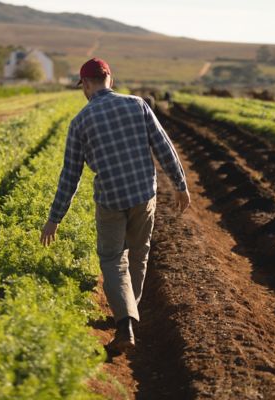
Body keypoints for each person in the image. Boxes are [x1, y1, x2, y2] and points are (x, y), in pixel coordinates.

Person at [40, 58, 190, 353]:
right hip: (143, 194)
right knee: (139, 253)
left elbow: (70, 176)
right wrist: (180, 184)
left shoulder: (80, 122)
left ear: (85, 83)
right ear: (110, 77)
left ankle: (125, 324)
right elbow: (163, 145)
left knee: (111, 259)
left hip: (110, 199)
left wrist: (54, 219)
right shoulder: (137, 105)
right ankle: (130, 314)